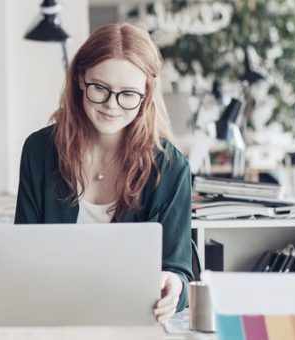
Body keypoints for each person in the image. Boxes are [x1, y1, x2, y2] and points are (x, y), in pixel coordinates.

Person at [14, 23, 193, 323]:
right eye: (100, 88)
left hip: (132, 321)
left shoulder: (170, 166)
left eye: (128, 94)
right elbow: (20, 256)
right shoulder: (39, 150)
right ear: (81, 80)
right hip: (52, 318)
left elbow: (179, 273)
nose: (112, 105)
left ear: (146, 95)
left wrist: (174, 286)